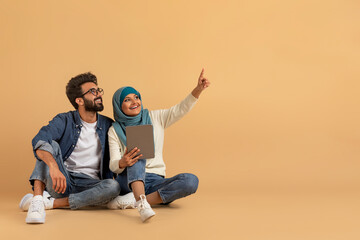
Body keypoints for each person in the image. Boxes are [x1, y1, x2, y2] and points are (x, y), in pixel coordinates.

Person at [106, 69, 210, 222]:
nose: (135, 102)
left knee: (191, 181)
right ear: (118, 106)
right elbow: (113, 165)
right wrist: (122, 162)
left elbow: (180, 109)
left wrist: (198, 90)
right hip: (128, 180)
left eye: (136, 97)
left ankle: (137, 200)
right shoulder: (114, 130)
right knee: (137, 153)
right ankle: (141, 203)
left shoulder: (156, 117)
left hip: (154, 181)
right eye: (127, 100)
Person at [19, 72, 120, 224]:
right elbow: (39, 140)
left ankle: (50, 203)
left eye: (98, 90)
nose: (98, 94)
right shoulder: (64, 120)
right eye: (93, 91)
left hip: (90, 185)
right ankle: (38, 199)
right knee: (48, 145)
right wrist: (53, 167)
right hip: (61, 182)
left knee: (113, 186)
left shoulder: (108, 125)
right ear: (79, 100)